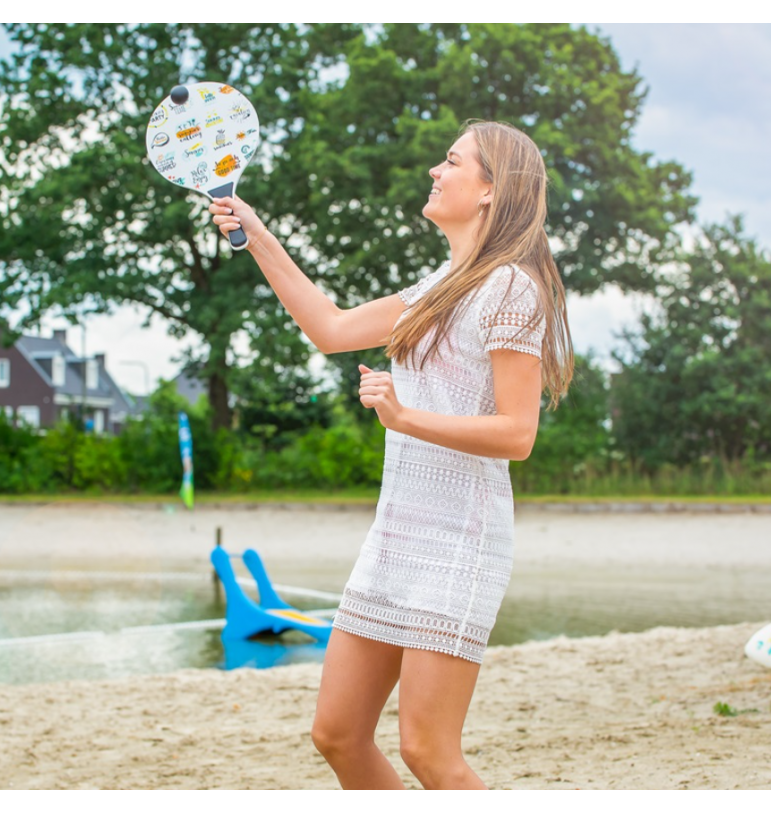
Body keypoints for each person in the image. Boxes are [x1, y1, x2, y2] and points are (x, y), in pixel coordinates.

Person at [209, 120, 573, 790]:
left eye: (451, 160)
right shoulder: (443, 282)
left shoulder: (513, 288)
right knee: (338, 735)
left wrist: (403, 417)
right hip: (395, 537)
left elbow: (516, 433)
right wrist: (255, 233)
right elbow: (331, 328)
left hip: (458, 542)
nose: (435, 170)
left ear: (490, 190)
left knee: (429, 753)